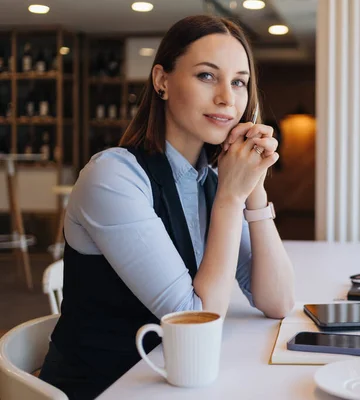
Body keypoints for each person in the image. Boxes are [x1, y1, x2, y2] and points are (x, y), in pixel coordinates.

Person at [39, 15, 295, 399]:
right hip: (108, 387)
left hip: (174, 384)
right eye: (207, 76)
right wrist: (230, 199)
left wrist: (253, 186)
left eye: (239, 81)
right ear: (162, 81)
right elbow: (199, 320)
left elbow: (278, 301)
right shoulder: (113, 177)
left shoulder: (210, 177)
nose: (228, 97)